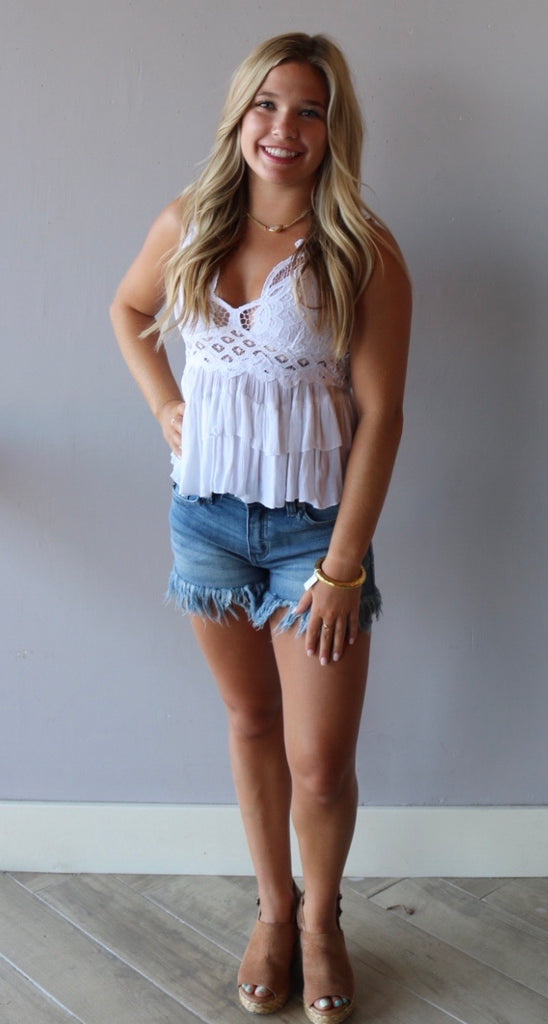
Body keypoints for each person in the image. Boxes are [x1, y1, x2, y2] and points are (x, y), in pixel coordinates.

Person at [110, 31, 411, 1024]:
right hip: (205, 521)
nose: (284, 128)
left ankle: (322, 922)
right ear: (240, 115)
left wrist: (342, 565)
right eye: (267, 105)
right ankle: (273, 912)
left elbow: (382, 417)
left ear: (332, 129)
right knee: (248, 724)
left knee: (319, 761)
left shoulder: (361, 249)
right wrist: (165, 403)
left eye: (308, 110)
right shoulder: (188, 222)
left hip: (314, 540)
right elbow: (127, 310)